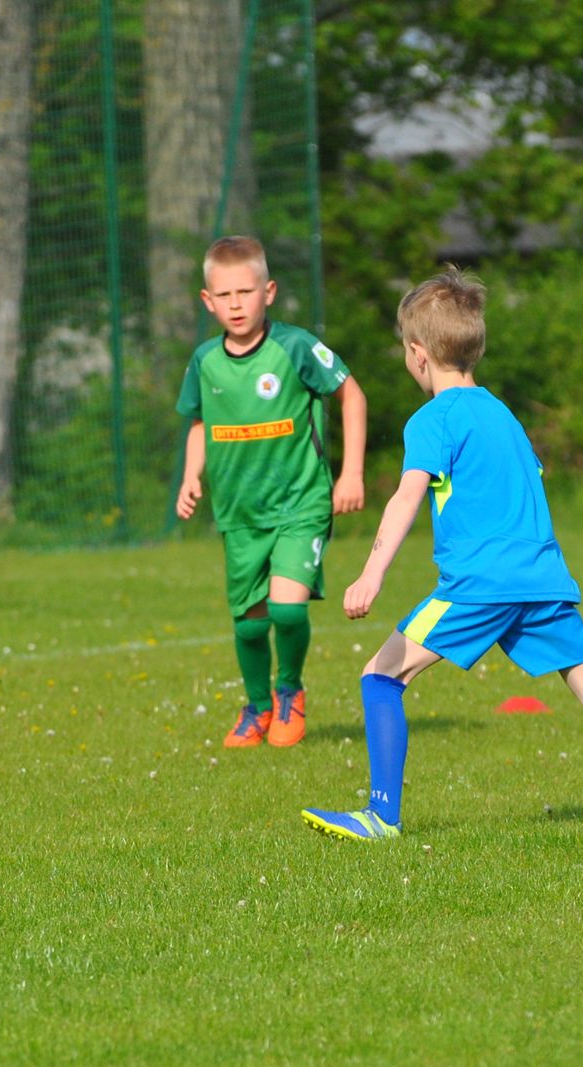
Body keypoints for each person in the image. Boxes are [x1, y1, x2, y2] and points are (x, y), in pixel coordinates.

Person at [301, 270, 583, 841]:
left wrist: (371, 572)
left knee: (380, 675)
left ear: (417, 354)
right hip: (543, 579)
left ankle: (381, 816)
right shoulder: (501, 413)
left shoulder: (432, 419)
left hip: (481, 584)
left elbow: (406, 496)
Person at [175, 235, 367, 749]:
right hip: (239, 512)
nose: (236, 304)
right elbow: (199, 423)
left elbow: (351, 394)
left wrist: (351, 474)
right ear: (207, 300)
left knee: (286, 610)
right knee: (250, 624)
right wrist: (191, 476)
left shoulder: (296, 346)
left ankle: (290, 691)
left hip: (300, 503)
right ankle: (257, 706)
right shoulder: (205, 362)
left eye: (246, 291)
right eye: (225, 295)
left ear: (270, 291)